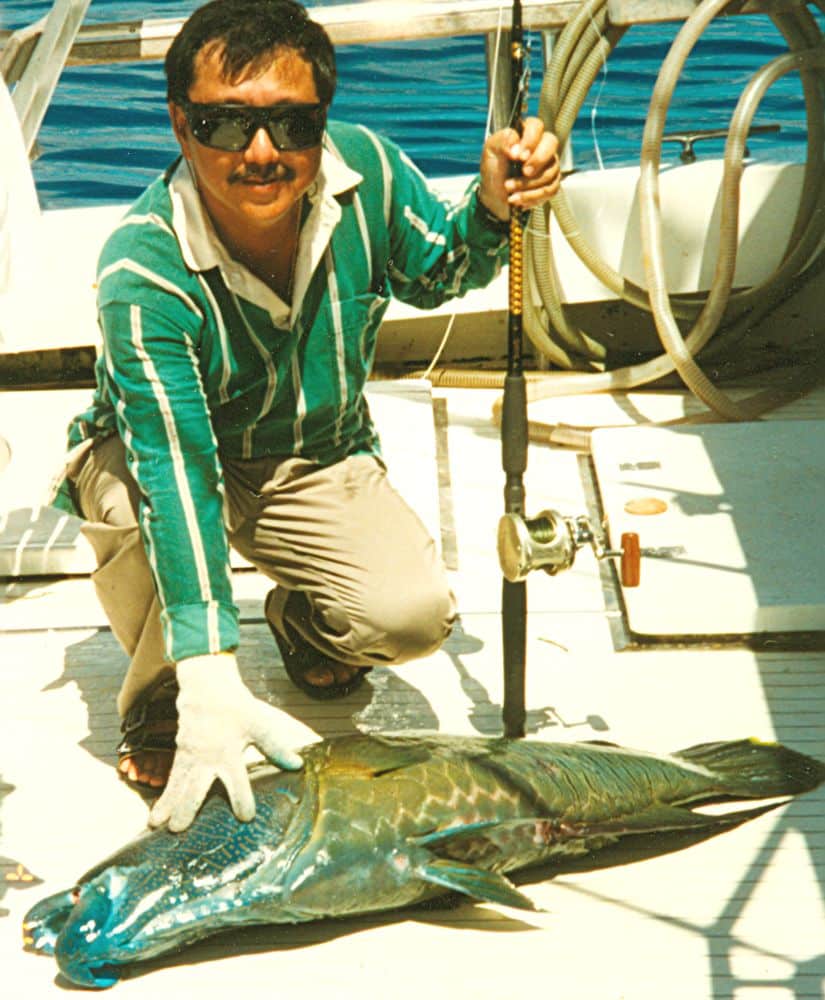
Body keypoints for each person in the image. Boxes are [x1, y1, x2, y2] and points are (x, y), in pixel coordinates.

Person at [51, 0, 562, 833]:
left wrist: (494, 210)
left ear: (323, 122)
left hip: (311, 457)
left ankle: (304, 626)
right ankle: (165, 695)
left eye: (292, 125)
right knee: (139, 509)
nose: (261, 153)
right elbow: (177, 475)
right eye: (226, 124)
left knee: (411, 617)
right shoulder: (141, 272)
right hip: (163, 461)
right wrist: (214, 672)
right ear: (182, 125)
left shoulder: (369, 174)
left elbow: (438, 271)